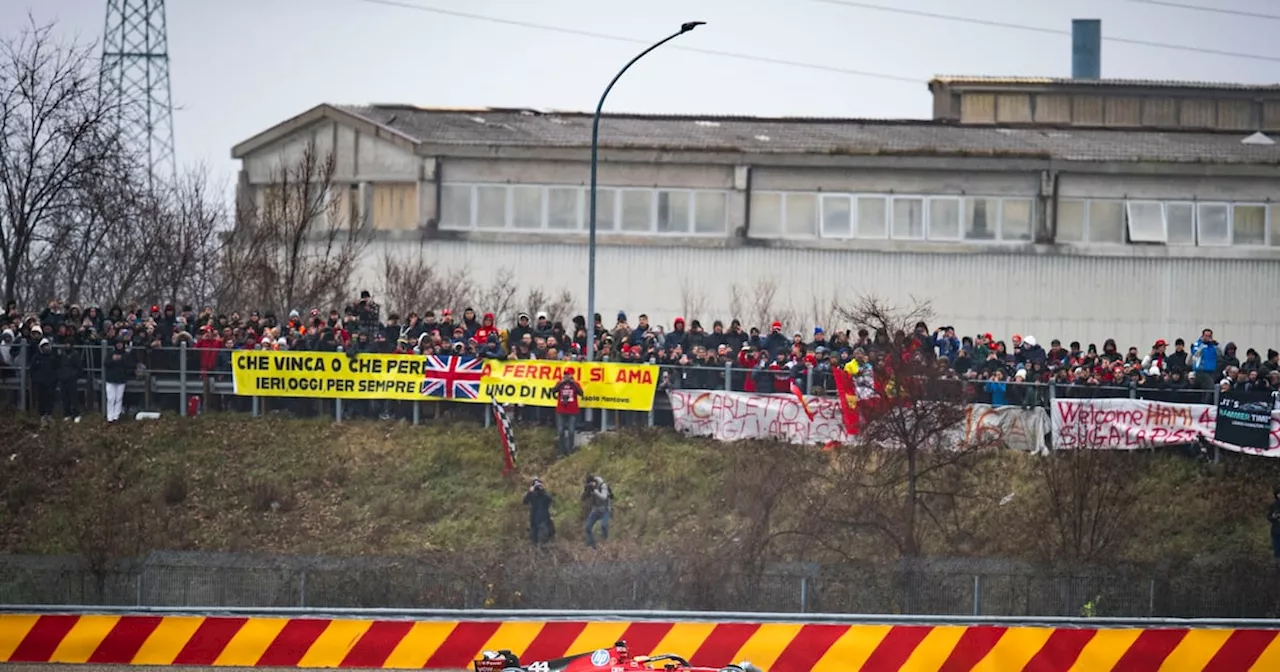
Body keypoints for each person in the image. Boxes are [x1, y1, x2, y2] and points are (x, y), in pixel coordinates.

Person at [552, 370, 584, 456]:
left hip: (572, 411)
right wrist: (561, 383)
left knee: (571, 431)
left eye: (568, 374)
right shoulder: (560, 383)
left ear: (571, 375)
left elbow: (581, 393)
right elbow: (553, 391)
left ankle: (570, 450)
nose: (566, 376)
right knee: (560, 431)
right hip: (561, 410)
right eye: (565, 374)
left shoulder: (575, 384)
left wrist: (573, 383)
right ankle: (562, 451)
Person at [103, 339, 134, 424]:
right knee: (110, 398)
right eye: (118, 344)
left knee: (118, 398)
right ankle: (110, 417)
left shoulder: (126, 355)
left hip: (121, 379)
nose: (119, 345)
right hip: (110, 379)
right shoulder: (110, 354)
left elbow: (129, 365)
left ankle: (116, 416)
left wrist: (121, 359)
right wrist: (113, 360)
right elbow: (106, 363)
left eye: (121, 344)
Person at [582, 474, 612, 548]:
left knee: (603, 525)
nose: (592, 485)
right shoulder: (589, 487)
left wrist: (595, 491)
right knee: (587, 528)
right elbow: (582, 498)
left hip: (605, 510)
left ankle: (606, 542)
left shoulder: (602, 486)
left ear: (594, 481)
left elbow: (604, 497)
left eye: (592, 483)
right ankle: (593, 545)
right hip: (595, 511)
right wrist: (585, 491)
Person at [523, 478, 554, 546]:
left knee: (543, 541)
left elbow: (550, 499)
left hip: (543, 521)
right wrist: (530, 492)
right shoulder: (531, 495)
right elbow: (524, 501)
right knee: (534, 541)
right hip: (533, 521)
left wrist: (542, 490)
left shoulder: (545, 495)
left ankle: (543, 552)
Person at [1268, 486, 1280, 561]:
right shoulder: (1273, 505)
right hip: (1276, 531)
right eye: (1278, 494)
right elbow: (1269, 517)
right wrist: (1274, 516)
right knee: (1277, 550)